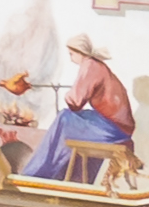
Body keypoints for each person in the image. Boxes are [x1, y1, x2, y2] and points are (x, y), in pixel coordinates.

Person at [25, 39, 136, 186]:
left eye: (71, 54)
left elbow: (75, 102)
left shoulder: (90, 65)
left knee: (64, 118)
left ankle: (39, 173)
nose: (71, 59)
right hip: (116, 126)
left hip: (112, 129)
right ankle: (72, 179)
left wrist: (67, 94)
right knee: (71, 120)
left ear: (79, 53)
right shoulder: (97, 65)